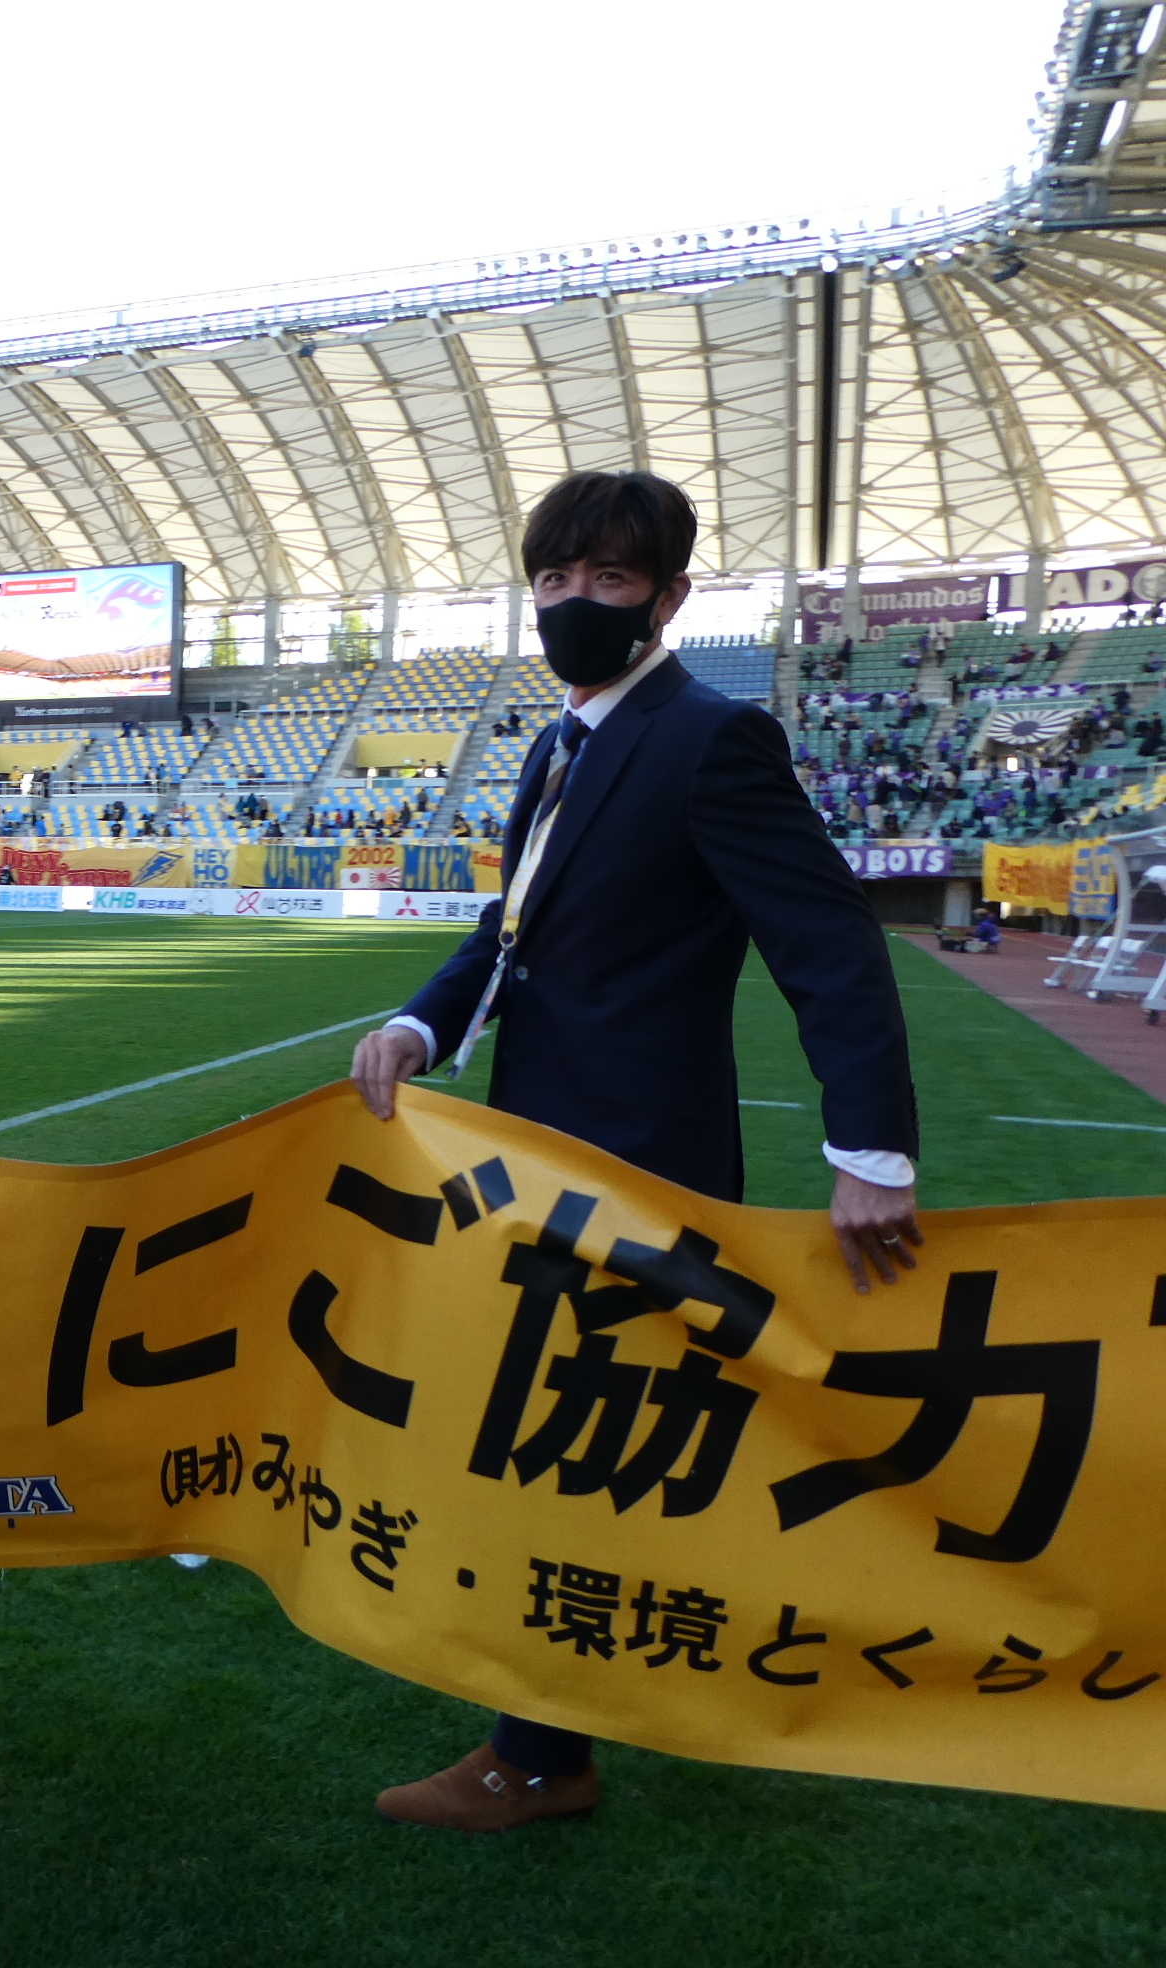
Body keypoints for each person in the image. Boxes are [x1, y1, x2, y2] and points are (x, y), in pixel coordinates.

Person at [348, 471, 920, 1834]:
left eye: (607, 579)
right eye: (553, 579)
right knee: (570, 1450)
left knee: (577, 1455)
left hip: (643, 1169)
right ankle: (560, 1736)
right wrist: (422, 1024)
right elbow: (512, 932)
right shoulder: (562, 743)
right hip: (542, 1157)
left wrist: (872, 1149)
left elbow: (827, 941)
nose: (573, 602)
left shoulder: (711, 739)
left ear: (669, 598)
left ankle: (541, 1758)